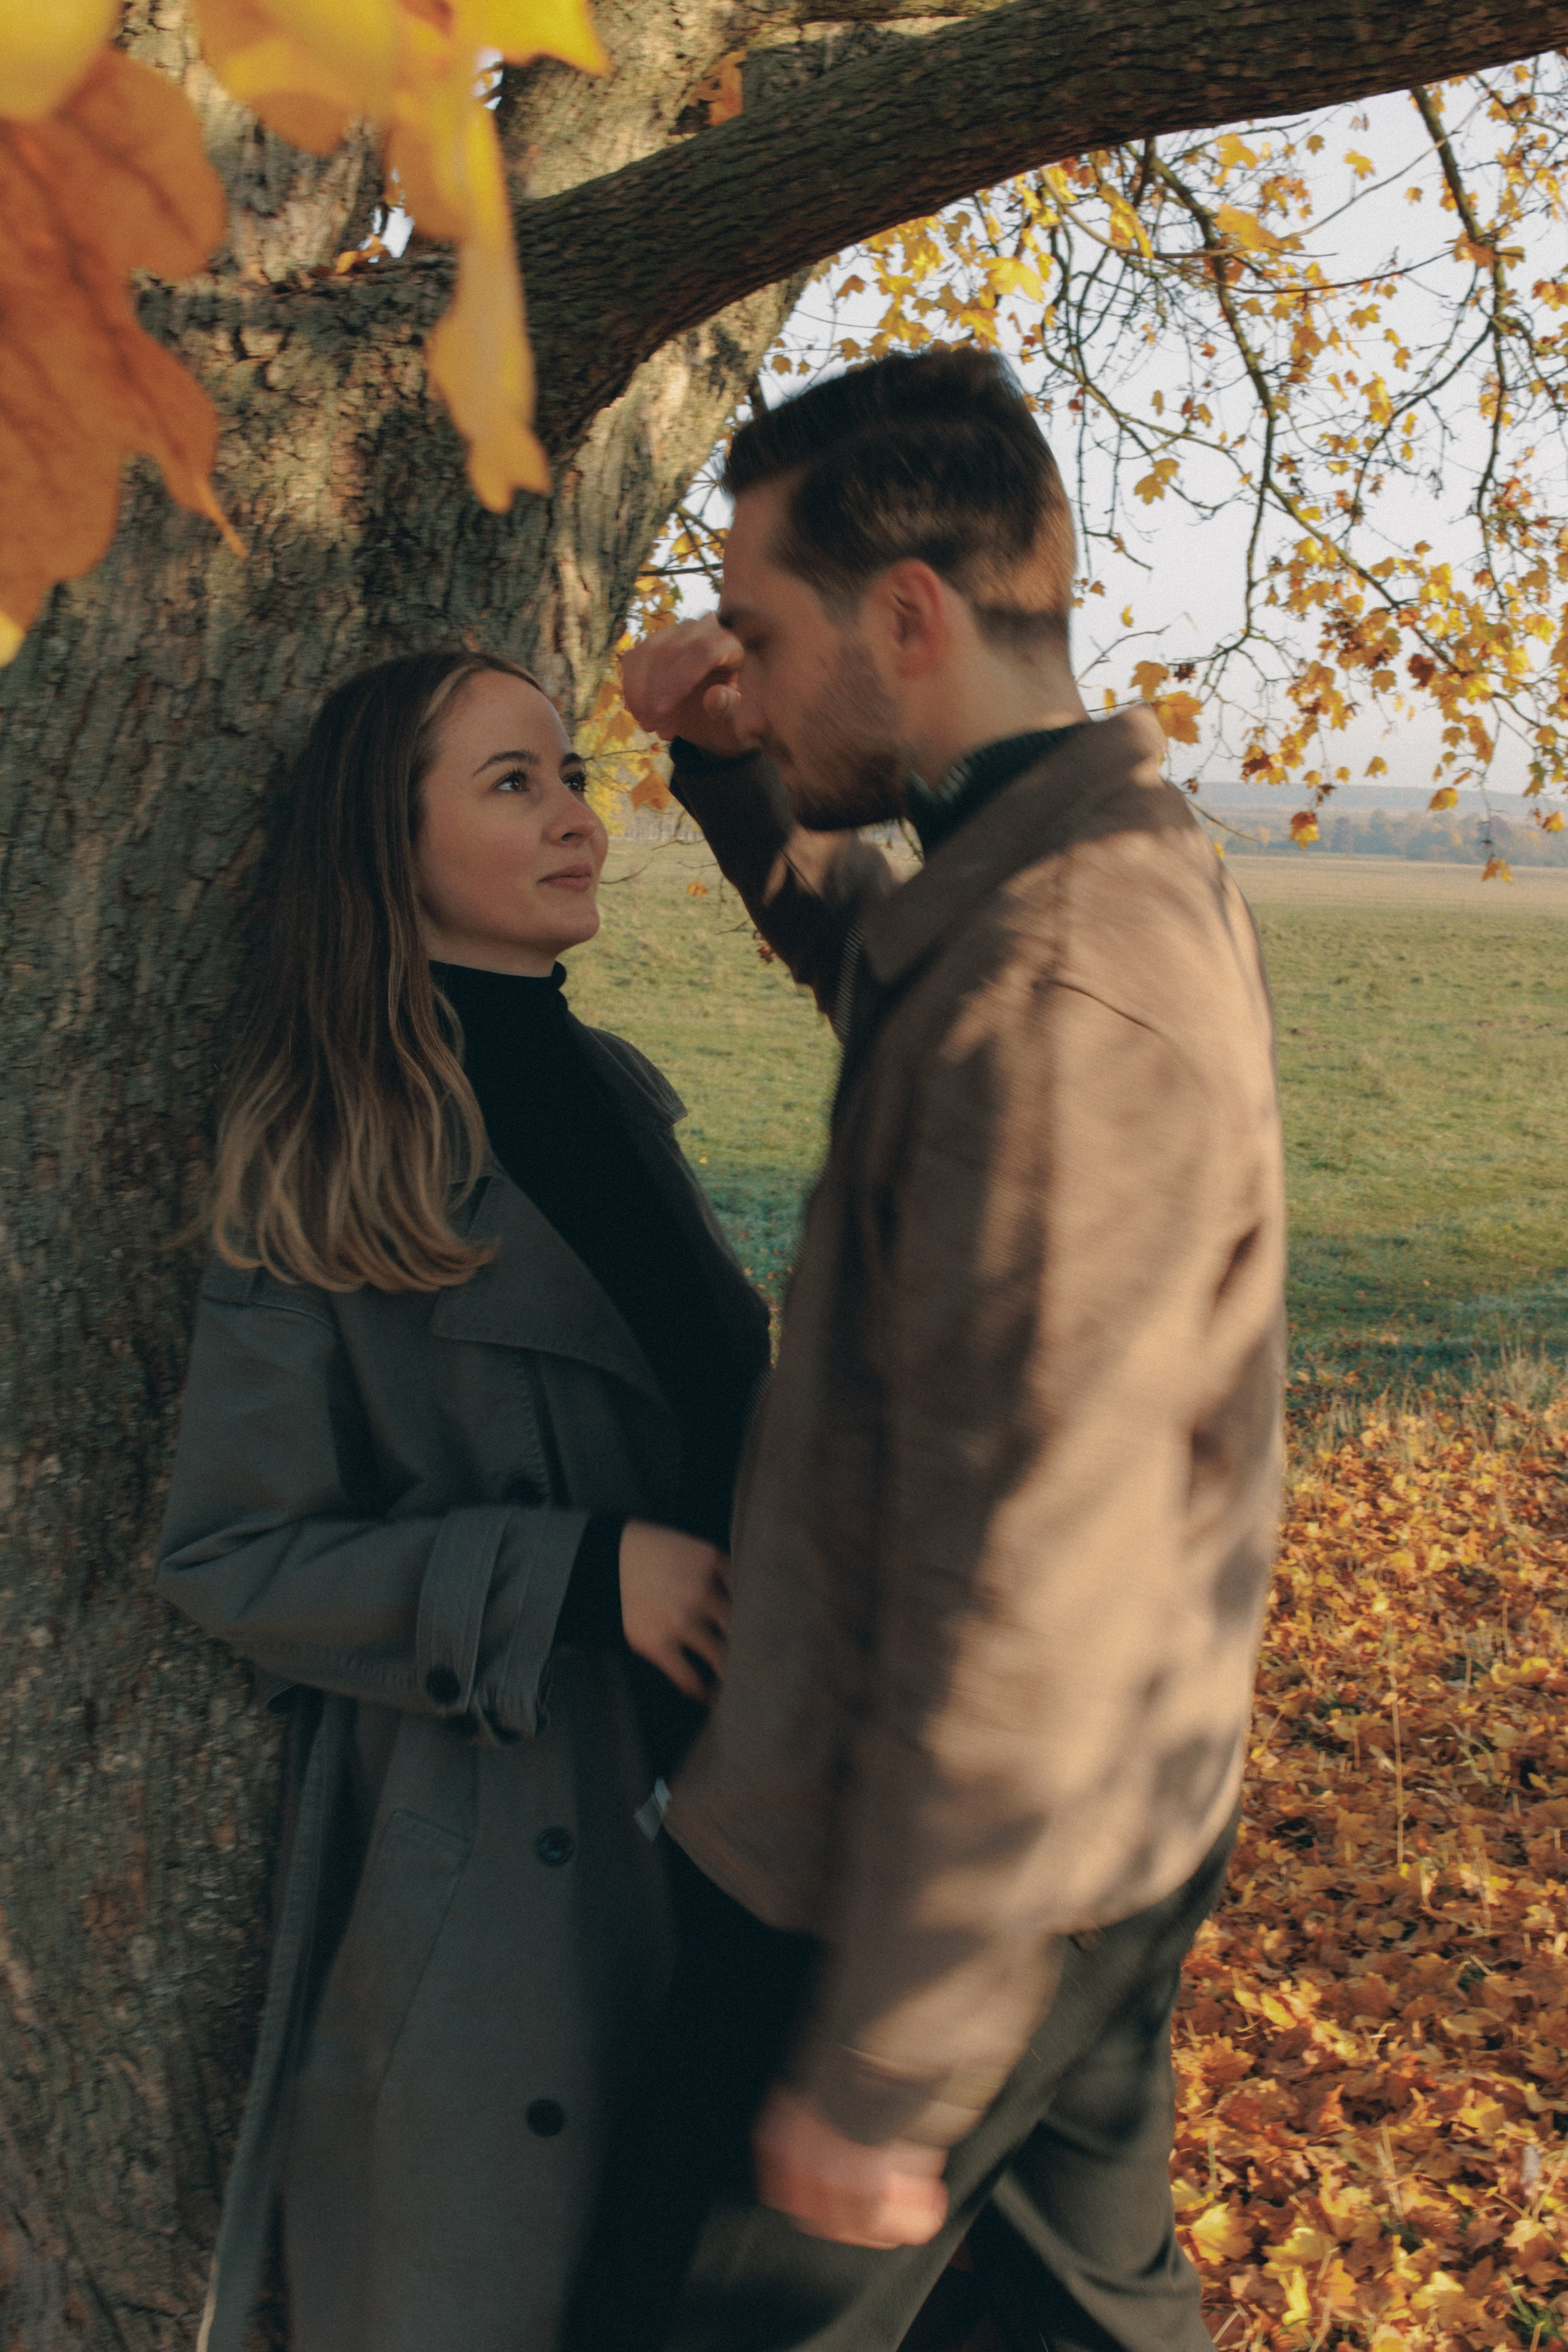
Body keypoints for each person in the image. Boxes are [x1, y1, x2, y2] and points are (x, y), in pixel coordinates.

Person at [567, 350, 1286, 2351]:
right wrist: (736, 769)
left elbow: (1042, 1549)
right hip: (1098, 1833)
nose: (733, 656)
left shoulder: (1063, 972)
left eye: (760, 625)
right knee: (1077, 2326)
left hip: (924, 1866)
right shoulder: (1064, 857)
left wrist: (887, 2058)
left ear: (906, 615)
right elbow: (901, 978)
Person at [154, 649, 770, 2352]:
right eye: (514, 785)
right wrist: (580, 1579)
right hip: (520, 1874)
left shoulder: (612, 1091)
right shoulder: (325, 1152)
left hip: (736, 1806)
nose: (578, 818)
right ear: (386, 840)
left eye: (569, 773)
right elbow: (235, 1553)